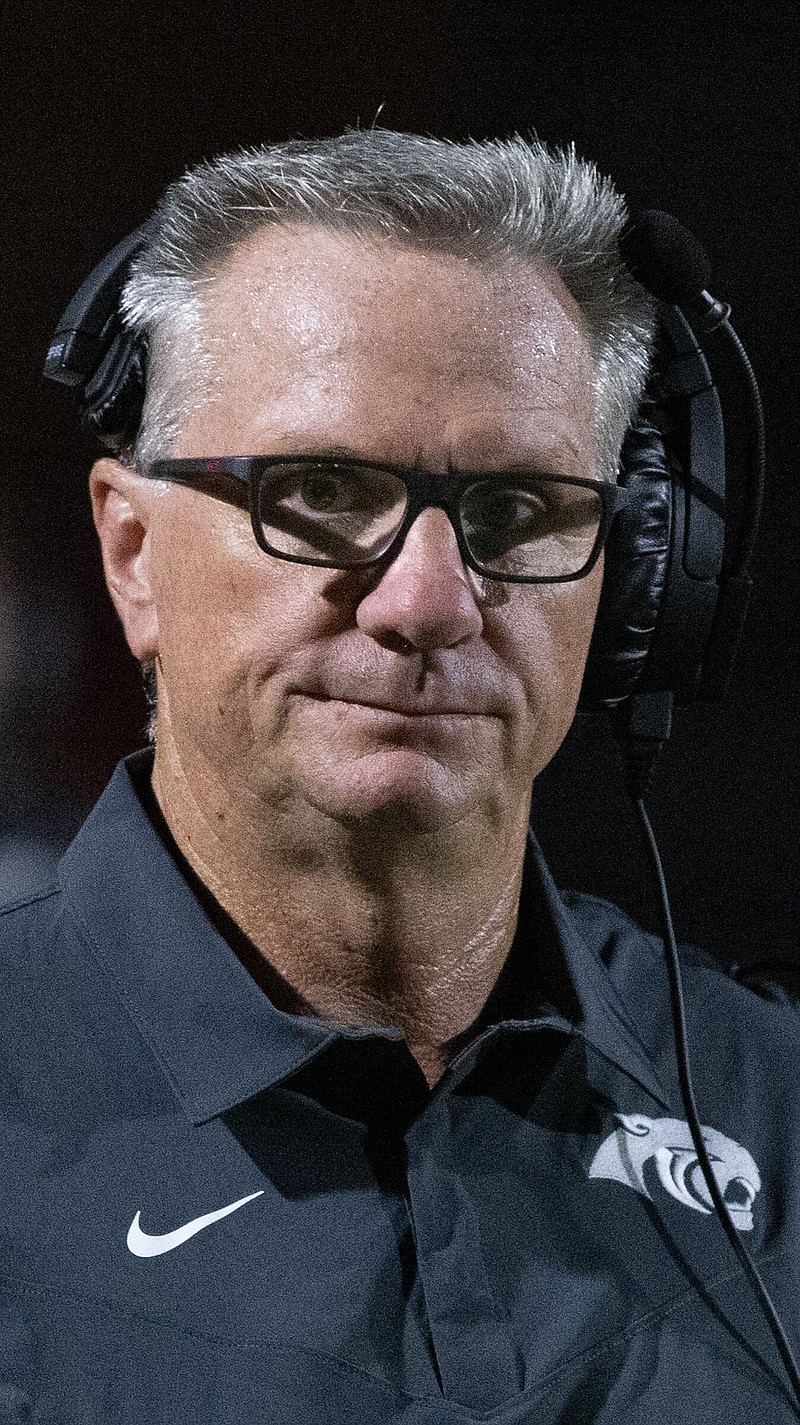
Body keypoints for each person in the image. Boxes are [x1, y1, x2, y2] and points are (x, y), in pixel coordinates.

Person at [2, 129, 798, 1424]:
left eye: (521, 509)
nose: (429, 599)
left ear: (642, 580)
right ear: (133, 553)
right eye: (320, 491)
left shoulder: (777, 1105)